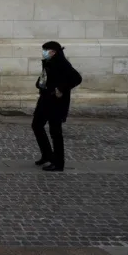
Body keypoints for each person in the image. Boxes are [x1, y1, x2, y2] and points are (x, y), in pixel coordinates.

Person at [32, 41, 82, 172]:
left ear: (53, 51)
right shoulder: (48, 62)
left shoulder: (62, 63)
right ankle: (47, 155)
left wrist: (61, 89)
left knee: (55, 132)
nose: (43, 52)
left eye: (45, 50)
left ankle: (59, 163)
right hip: (45, 99)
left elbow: (77, 78)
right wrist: (40, 83)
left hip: (56, 103)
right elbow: (45, 77)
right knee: (36, 125)